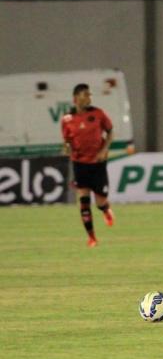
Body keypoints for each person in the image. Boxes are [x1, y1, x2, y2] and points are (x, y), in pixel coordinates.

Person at [61, 83, 115, 248]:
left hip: (97, 163)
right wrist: (66, 149)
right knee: (84, 201)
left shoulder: (98, 114)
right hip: (80, 164)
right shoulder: (67, 120)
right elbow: (67, 142)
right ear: (76, 98)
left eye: (90, 95)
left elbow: (111, 132)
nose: (89, 97)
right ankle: (92, 238)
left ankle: (105, 210)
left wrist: (104, 150)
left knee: (100, 202)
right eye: (86, 95)